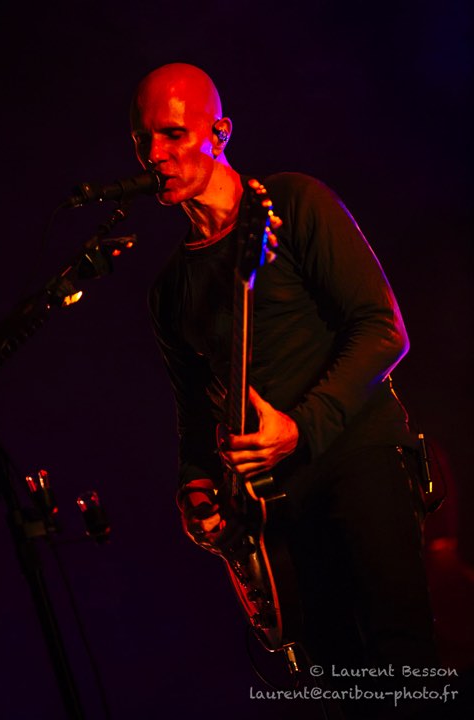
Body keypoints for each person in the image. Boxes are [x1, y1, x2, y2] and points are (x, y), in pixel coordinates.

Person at [130, 62, 438, 716]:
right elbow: (194, 420)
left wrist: (301, 427)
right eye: (143, 139)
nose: (154, 154)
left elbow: (384, 330)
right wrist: (195, 492)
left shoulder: (293, 204)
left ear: (220, 133)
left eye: (173, 134)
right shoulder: (168, 291)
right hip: (276, 513)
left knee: (402, 665)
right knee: (335, 682)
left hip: (358, 458)